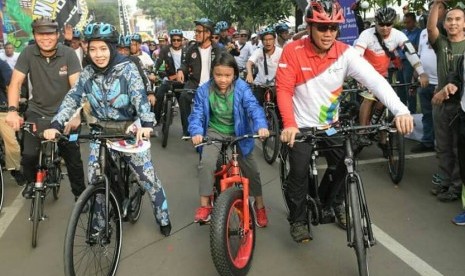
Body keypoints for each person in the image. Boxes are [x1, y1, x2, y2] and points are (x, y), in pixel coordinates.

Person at [276, 0, 413, 243]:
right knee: (297, 173)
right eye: (322, 28)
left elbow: (376, 81)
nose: (328, 33)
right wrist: (289, 124)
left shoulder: (345, 53)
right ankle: (297, 220)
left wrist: (400, 110)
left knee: (346, 162)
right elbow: (284, 89)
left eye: (333, 28)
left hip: (330, 126)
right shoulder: (292, 50)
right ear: (309, 27)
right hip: (300, 126)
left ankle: (335, 203)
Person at [42, 22, 172, 236]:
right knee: (95, 180)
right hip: (100, 132)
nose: (98, 55)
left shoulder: (127, 68)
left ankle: (163, 218)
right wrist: (56, 124)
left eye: (103, 49)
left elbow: (140, 98)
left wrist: (147, 124)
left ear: (112, 47)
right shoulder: (87, 73)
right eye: (92, 49)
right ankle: (98, 226)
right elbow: (72, 98)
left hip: (129, 131)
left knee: (147, 180)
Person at [5, 16, 86, 200]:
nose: (45, 38)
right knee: (28, 155)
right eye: (40, 34)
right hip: (37, 111)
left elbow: (76, 88)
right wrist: (12, 111)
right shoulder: (28, 53)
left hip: (65, 113)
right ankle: (33, 182)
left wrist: (75, 115)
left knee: (73, 159)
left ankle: (81, 197)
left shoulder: (68, 54)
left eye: (50, 33)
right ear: (34, 35)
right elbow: (15, 83)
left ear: (57, 35)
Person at [188, 52, 269, 227]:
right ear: (212, 74)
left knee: (252, 171)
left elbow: (253, 108)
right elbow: (196, 115)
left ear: (234, 74)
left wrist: (261, 126)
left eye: (227, 75)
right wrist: (196, 132)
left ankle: (259, 206)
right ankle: (205, 206)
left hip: (239, 133)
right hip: (214, 132)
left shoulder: (241, 88)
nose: (223, 80)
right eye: (218, 75)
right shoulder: (204, 90)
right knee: (206, 163)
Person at [354, 7, 428, 155]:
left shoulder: (398, 35)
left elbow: (411, 53)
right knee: (369, 99)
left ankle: (382, 137)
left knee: (385, 103)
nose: (385, 28)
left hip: (383, 75)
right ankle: (362, 132)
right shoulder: (366, 34)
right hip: (366, 74)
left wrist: (421, 73)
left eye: (389, 24)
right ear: (376, 23)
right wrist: (358, 77)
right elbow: (356, 56)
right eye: (381, 24)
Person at [426, 2, 465, 202]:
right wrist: (437, 3)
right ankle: (445, 181)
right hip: (441, 105)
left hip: (461, 106)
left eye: (458, 19)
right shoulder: (441, 43)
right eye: (449, 19)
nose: (453, 23)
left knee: (459, 148)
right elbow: (431, 28)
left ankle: (457, 187)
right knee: (443, 147)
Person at [177, 18, 224, 136]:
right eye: (195, 31)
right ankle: (188, 130)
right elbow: (185, 64)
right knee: (183, 97)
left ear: (208, 33)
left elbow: (228, 65)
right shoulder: (191, 49)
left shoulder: (218, 50)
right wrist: (180, 70)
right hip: (194, 83)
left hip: (213, 85)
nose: (196, 34)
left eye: (199, 31)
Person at [0, 58, 25, 185]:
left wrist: (13, 106)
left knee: (11, 141)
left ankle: (15, 170)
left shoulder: (1, 64)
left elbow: (11, 84)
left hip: (1, 109)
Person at [153, 29, 186, 123]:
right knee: (158, 95)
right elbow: (158, 62)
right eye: (174, 40)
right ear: (170, 40)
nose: (176, 42)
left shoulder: (187, 50)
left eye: (178, 40)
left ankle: (186, 129)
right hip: (169, 79)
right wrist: (153, 72)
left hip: (182, 81)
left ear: (182, 40)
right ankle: (157, 119)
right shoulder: (165, 49)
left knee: (183, 103)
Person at [246, 27, 283, 106]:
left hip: (276, 86)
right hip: (260, 85)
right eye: (265, 40)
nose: (268, 42)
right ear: (262, 41)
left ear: (274, 39)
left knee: (279, 110)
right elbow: (249, 62)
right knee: (256, 108)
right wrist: (249, 74)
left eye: (270, 39)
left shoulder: (281, 52)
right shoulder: (259, 51)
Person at [397, 12, 422, 113]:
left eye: (408, 22)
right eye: (405, 22)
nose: (406, 24)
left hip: (411, 63)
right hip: (400, 62)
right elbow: (398, 48)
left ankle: (412, 112)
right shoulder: (403, 32)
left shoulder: (420, 33)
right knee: (400, 88)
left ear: (414, 22)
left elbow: (420, 48)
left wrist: (408, 45)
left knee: (410, 87)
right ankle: (402, 111)